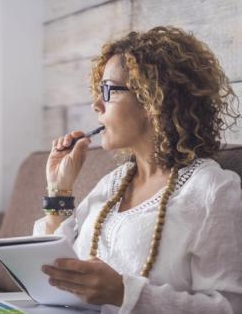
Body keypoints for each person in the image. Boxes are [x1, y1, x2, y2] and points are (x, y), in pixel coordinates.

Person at [34, 26, 242, 313]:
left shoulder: (211, 189)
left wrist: (124, 293)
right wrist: (59, 188)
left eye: (107, 91)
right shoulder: (112, 184)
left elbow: (229, 307)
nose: (96, 105)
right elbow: (54, 273)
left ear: (153, 99)